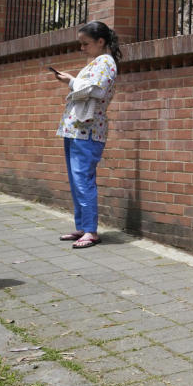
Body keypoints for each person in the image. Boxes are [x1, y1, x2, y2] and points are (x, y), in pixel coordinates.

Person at [52, 21, 121, 249]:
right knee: (76, 180)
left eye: (86, 43)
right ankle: (82, 227)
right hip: (77, 129)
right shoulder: (97, 62)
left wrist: (70, 81)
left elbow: (95, 89)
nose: (82, 48)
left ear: (101, 42)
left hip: (88, 130)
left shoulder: (106, 62)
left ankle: (90, 230)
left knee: (83, 180)